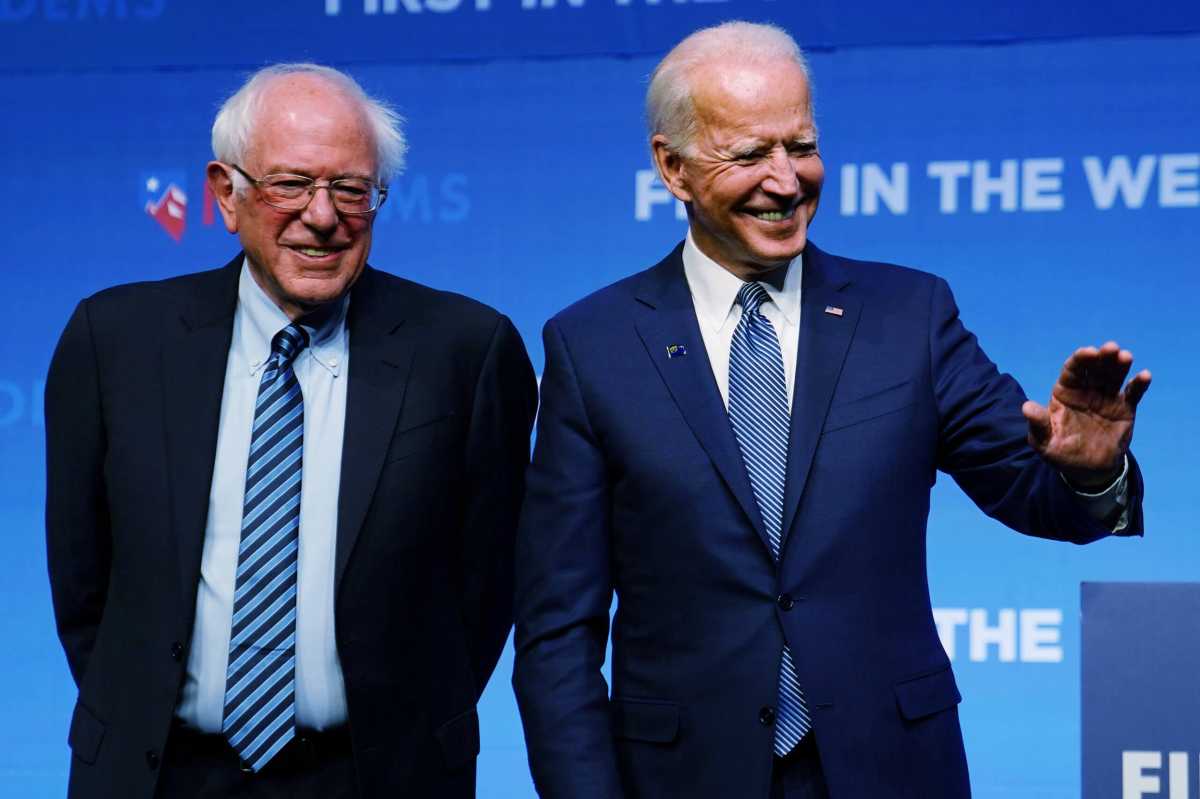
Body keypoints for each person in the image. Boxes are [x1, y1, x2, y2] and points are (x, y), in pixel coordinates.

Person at [512, 21, 1150, 799]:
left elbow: (1038, 494)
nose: (786, 181)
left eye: (801, 146)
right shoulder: (593, 345)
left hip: (891, 769)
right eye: (749, 155)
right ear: (671, 168)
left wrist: (1093, 473)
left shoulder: (908, 315)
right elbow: (556, 632)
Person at [45, 63, 537, 799]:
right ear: (226, 194)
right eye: (291, 184)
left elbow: (487, 586)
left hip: (379, 776)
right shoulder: (113, 340)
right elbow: (86, 586)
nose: (322, 214)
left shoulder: (467, 350)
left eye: (350, 189)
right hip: (159, 775)